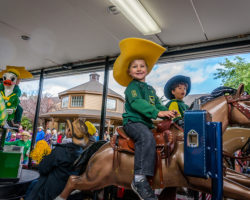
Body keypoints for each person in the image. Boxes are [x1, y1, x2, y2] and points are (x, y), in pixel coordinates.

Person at [113, 38, 176, 200]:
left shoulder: (150, 89)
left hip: (146, 123)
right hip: (133, 123)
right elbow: (137, 103)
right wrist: (157, 113)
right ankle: (139, 179)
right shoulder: (132, 88)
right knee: (146, 138)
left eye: (142, 66)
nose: (139, 69)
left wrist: (168, 112)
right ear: (129, 72)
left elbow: (159, 105)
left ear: (147, 69)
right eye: (135, 66)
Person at [25, 120, 96, 200]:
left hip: (53, 193)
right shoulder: (84, 153)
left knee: (33, 186)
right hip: (72, 194)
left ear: (69, 133)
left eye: (68, 128)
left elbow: (43, 169)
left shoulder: (60, 151)